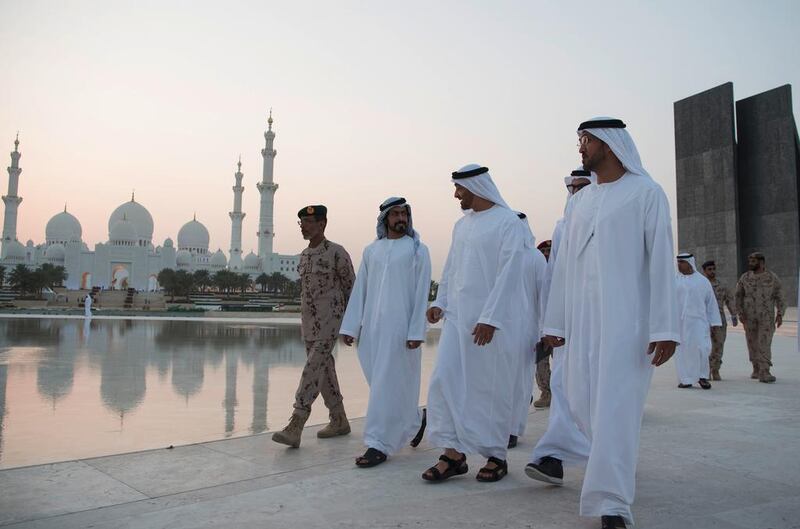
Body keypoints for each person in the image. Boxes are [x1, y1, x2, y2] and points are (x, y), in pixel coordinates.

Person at [526, 118, 680, 529]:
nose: (580, 148)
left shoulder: (646, 193)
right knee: (581, 403)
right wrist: (554, 321)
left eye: (586, 140)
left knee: (617, 409)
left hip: (627, 325)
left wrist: (665, 328)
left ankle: (612, 504)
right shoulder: (579, 203)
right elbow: (562, 271)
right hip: (581, 327)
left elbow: (662, 261)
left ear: (609, 145)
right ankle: (607, 471)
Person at [422, 164, 530, 483]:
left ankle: (496, 455)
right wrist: (440, 303)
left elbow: (511, 273)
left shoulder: (509, 223)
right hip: (457, 321)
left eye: (459, 189)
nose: (456, 194)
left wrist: (490, 317)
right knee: (445, 381)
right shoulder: (461, 225)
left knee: (488, 388)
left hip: (492, 324)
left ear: (476, 187)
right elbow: (452, 267)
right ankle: (452, 455)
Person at [339, 197, 432, 467]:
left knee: (384, 385)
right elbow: (361, 290)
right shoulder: (372, 251)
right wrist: (351, 326)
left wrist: (416, 330)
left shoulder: (417, 250)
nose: (401, 219)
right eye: (396, 215)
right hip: (372, 330)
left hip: (401, 329)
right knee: (382, 382)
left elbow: (421, 291)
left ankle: (377, 443)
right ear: (385, 219)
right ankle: (415, 420)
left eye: (404, 214)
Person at [272, 205, 356, 448]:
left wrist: (352, 325)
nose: (304, 227)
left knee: (312, 368)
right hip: (309, 323)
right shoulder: (304, 256)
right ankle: (339, 419)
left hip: (331, 320)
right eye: (302, 223)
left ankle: (296, 422)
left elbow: (353, 289)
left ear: (322, 224)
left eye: (309, 222)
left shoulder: (337, 253)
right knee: (324, 369)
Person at [509, 213, 547, 449]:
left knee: (520, 382)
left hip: (526, 330)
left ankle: (513, 429)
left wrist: (544, 332)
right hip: (499, 330)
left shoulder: (534, 258)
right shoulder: (500, 256)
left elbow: (544, 297)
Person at [735, 252, 786, 383]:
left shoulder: (771, 278)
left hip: (766, 317)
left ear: (761, 262)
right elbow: (738, 296)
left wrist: (780, 313)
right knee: (752, 342)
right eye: (749, 260)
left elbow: (780, 296)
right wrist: (740, 313)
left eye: (753, 261)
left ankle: (765, 371)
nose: (750, 263)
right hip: (749, 317)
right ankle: (756, 368)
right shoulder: (744, 278)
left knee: (764, 342)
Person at [674, 253, 722, 389]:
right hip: (680, 323)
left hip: (699, 323)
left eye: (682, 262)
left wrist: (715, 322)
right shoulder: (674, 280)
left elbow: (711, 303)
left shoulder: (702, 281)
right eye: (678, 262)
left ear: (690, 263)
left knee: (702, 348)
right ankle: (685, 379)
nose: (679, 265)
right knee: (682, 351)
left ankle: (702, 377)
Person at [701, 260, 738, 380]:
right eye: (709, 269)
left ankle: (715, 369)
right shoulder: (700, 285)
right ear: (704, 271)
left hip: (719, 320)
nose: (712, 271)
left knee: (718, 345)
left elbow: (729, 300)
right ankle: (705, 371)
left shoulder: (722, 285)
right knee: (704, 346)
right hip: (703, 320)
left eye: (713, 269)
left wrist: (734, 315)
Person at [533, 240, 553, 409]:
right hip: (540, 327)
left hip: (562, 328)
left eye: (549, 250)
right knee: (541, 363)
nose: (546, 254)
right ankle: (546, 392)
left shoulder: (563, 273)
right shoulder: (534, 272)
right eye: (543, 251)